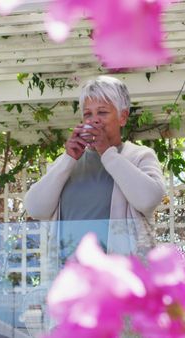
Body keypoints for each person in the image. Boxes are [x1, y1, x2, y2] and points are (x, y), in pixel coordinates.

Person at [24, 75, 165, 269]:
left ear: (123, 117)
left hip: (120, 278)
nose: (94, 121)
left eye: (102, 112)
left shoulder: (139, 156)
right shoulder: (67, 162)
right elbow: (35, 208)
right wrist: (68, 159)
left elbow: (149, 199)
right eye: (88, 114)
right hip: (71, 278)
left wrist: (107, 153)